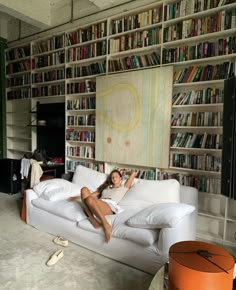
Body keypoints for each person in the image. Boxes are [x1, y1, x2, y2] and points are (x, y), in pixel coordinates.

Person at [69, 169, 136, 243]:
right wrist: (77, 197)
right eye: (112, 177)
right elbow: (90, 195)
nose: (114, 178)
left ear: (120, 178)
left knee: (89, 200)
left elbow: (133, 173)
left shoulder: (124, 187)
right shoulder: (106, 187)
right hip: (97, 202)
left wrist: (125, 172)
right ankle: (93, 220)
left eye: (116, 176)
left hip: (109, 206)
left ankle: (106, 225)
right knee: (84, 189)